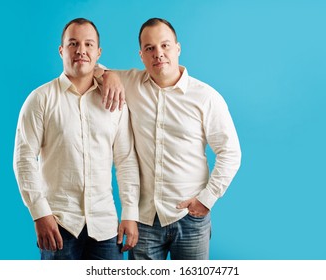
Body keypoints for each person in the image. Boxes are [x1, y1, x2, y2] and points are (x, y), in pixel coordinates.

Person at [98, 18, 241, 260]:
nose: (158, 54)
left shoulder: (206, 97)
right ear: (141, 55)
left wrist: (207, 199)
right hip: (144, 220)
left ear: (177, 48)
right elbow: (87, 64)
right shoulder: (130, 82)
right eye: (150, 48)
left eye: (165, 46)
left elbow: (231, 152)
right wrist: (108, 75)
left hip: (190, 218)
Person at [13, 18, 139, 260]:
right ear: (61, 50)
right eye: (73, 44)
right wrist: (40, 214)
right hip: (59, 225)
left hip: (105, 228)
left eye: (88, 44)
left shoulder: (115, 101)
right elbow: (24, 158)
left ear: (98, 52)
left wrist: (130, 214)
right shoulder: (40, 99)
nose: (81, 50)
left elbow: (125, 159)